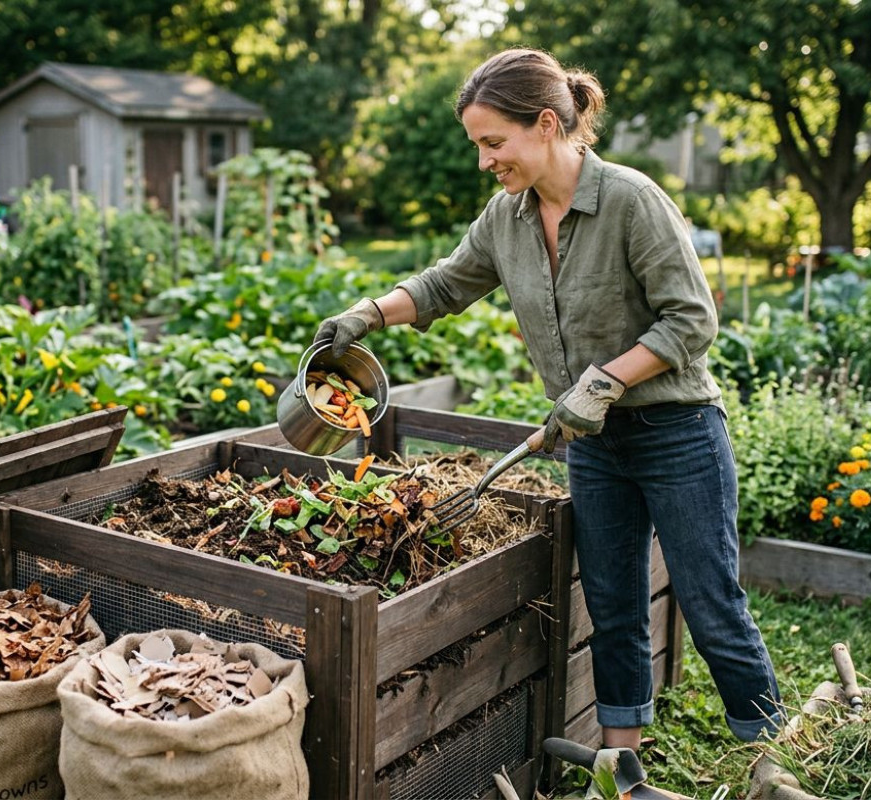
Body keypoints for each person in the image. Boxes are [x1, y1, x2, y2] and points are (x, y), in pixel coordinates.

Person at [313, 48, 782, 748]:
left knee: (713, 607)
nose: (484, 162)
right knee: (614, 609)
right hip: (592, 446)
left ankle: (773, 756)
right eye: (478, 146)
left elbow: (692, 319)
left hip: (675, 433)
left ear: (545, 124)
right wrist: (367, 314)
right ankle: (622, 771)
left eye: (493, 143)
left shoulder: (629, 199)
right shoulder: (507, 218)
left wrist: (603, 381)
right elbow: (445, 285)